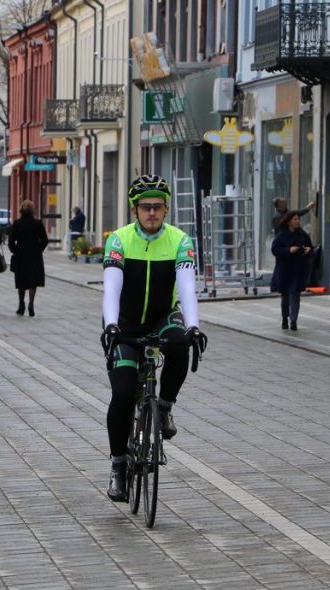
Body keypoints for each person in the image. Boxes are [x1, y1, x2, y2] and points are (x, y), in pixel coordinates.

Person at [100, 174, 208, 502]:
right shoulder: (119, 240)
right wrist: (112, 325)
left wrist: (193, 326)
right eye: (145, 207)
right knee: (121, 393)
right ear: (135, 210)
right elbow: (111, 287)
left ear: (166, 209)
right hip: (127, 322)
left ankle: (163, 407)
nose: (151, 212)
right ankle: (119, 466)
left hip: (163, 316)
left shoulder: (179, 240)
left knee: (180, 344)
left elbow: (187, 286)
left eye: (157, 207)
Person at [271, 210, 313, 331]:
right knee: (285, 295)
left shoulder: (302, 234)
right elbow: (275, 249)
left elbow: (310, 246)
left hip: (299, 269)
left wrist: (307, 250)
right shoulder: (282, 235)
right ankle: (285, 317)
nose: (298, 221)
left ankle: (293, 320)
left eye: (298, 219)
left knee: (295, 294)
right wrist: (289, 250)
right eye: (295, 219)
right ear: (289, 222)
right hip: (285, 270)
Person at [7, 199, 48, 316]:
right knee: (33, 281)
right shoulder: (38, 223)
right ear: (32, 210)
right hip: (34, 256)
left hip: (21, 256)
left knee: (21, 281)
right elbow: (45, 240)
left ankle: (21, 304)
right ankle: (31, 303)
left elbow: (11, 241)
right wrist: (39, 250)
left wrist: (15, 251)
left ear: (21, 210)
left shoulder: (17, 223)